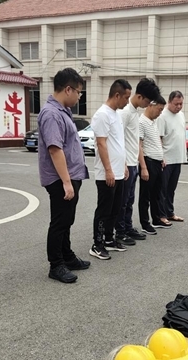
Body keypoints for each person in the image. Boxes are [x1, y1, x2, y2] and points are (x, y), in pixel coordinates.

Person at [38, 68, 90, 284]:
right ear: (68, 89)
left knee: (67, 220)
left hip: (69, 177)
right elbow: (55, 150)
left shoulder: (63, 112)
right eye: (78, 92)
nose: (79, 96)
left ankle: (67, 256)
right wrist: (67, 183)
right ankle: (56, 265)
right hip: (61, 179)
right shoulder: (51, 114)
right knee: (59, 222)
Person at [89, 79, 132, 260]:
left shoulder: (116, 114)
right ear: (117, 95)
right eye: (126, 98)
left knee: (116, 208)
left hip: (119, 171)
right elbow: (101, 143)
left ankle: (108, 239)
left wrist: (122, 165)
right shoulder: (102, 115)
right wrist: (108, 170)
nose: (127, 102)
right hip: (107, 173)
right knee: (104, 210)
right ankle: (97, 244)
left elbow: (117, 143)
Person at [115, 78, 161, 246]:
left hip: (133, 162)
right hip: (127, 164)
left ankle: (127, 227)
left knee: (129, 200)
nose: (147, 104)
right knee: (123, 201)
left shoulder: (135, 112)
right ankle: (120, 231)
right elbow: (118, 139)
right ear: (140, 96)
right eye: (147, 101)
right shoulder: (125, 112)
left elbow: (135, 141)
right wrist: (125, 163)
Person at [138, 96, 167, 235]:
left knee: (156, 193)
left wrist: (162, 157)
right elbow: (139, 145)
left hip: (157, 161)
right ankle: (145, 223)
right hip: (148, 161)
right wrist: (143, 167)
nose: (160, 112)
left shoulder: (153, 122)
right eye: (159, 109)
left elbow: (156, 141)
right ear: (151, 105)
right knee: (146, 195)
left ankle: (156, 219)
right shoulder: (141, 122)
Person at [157, 90, 186, 226]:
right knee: (162, 189)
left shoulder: (181, 115)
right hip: (166, 159)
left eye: (181, 104)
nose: (179, 107)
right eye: (176, 104)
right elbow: (159, 138)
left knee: (171, 189)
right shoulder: (162, 116)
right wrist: (161, 157)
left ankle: (170, 212)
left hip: (178, 158)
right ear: (169, 102)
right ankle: (161, 215)